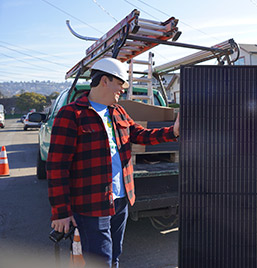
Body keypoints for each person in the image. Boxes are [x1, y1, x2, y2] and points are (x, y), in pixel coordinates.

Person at [47, 57, 180, 267]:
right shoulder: (71, 114)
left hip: (121, 200)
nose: (122, 90)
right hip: (91, 205)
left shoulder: (117, 111)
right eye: (120, 84)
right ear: (104, 81)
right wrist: (61, 213)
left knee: (114, 256)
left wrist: (173, 131)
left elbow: (141, 135)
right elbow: (57, 167)